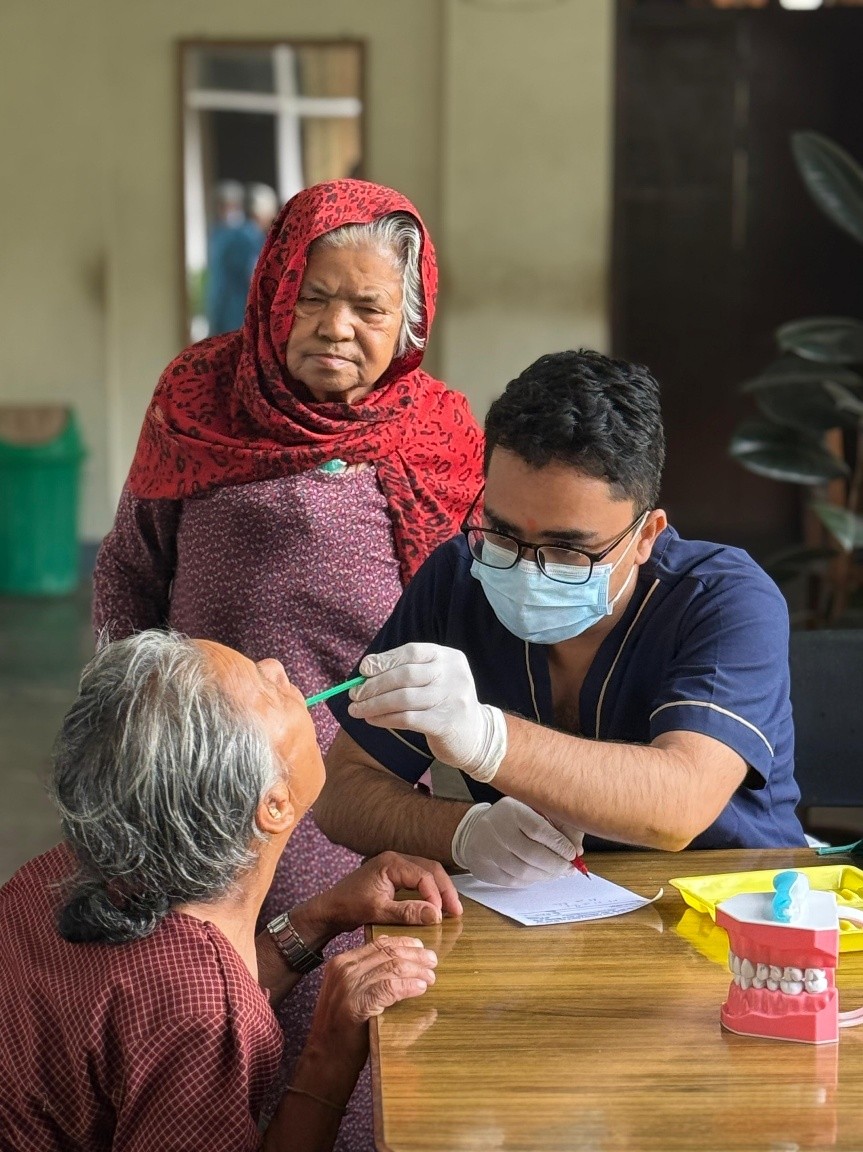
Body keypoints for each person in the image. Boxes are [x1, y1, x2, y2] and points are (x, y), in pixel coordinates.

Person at [91, 178, 483, 1148]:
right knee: (192, 1006)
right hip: (198, 773)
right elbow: (127, 577)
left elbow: (486, 607)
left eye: (367, 307)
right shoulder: (198, 394)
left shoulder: (439, 431)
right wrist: (126, 740)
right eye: (313, 297)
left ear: (409, 319)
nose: (335, 327)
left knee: (354, 1010)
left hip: (364, 782)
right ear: (273, 291)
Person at [316, 349, 808, 884]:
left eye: (568, 550)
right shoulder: (460, 580)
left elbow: (680, 805)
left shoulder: (723, 599)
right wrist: (463, 833)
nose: (526, 571)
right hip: (535, 929)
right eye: (503, 533)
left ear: (647, 536)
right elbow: (342, 791)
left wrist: (486, 738)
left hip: (731, 924)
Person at [0, 630, 460, 1151]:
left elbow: (151, 1013)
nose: (276, 666)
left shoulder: (56, 876)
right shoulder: (199, 1014)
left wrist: (319, 918)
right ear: (275, 806)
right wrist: (328, 1051)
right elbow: (184, 1012)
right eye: (266, 689)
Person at [205, 179, 266, 335]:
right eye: (224, 205)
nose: (227, 210)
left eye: (231, 205)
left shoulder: (247, 236)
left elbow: (253, 274)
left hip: (239, 310)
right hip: (221, 307)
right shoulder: (217, 234)